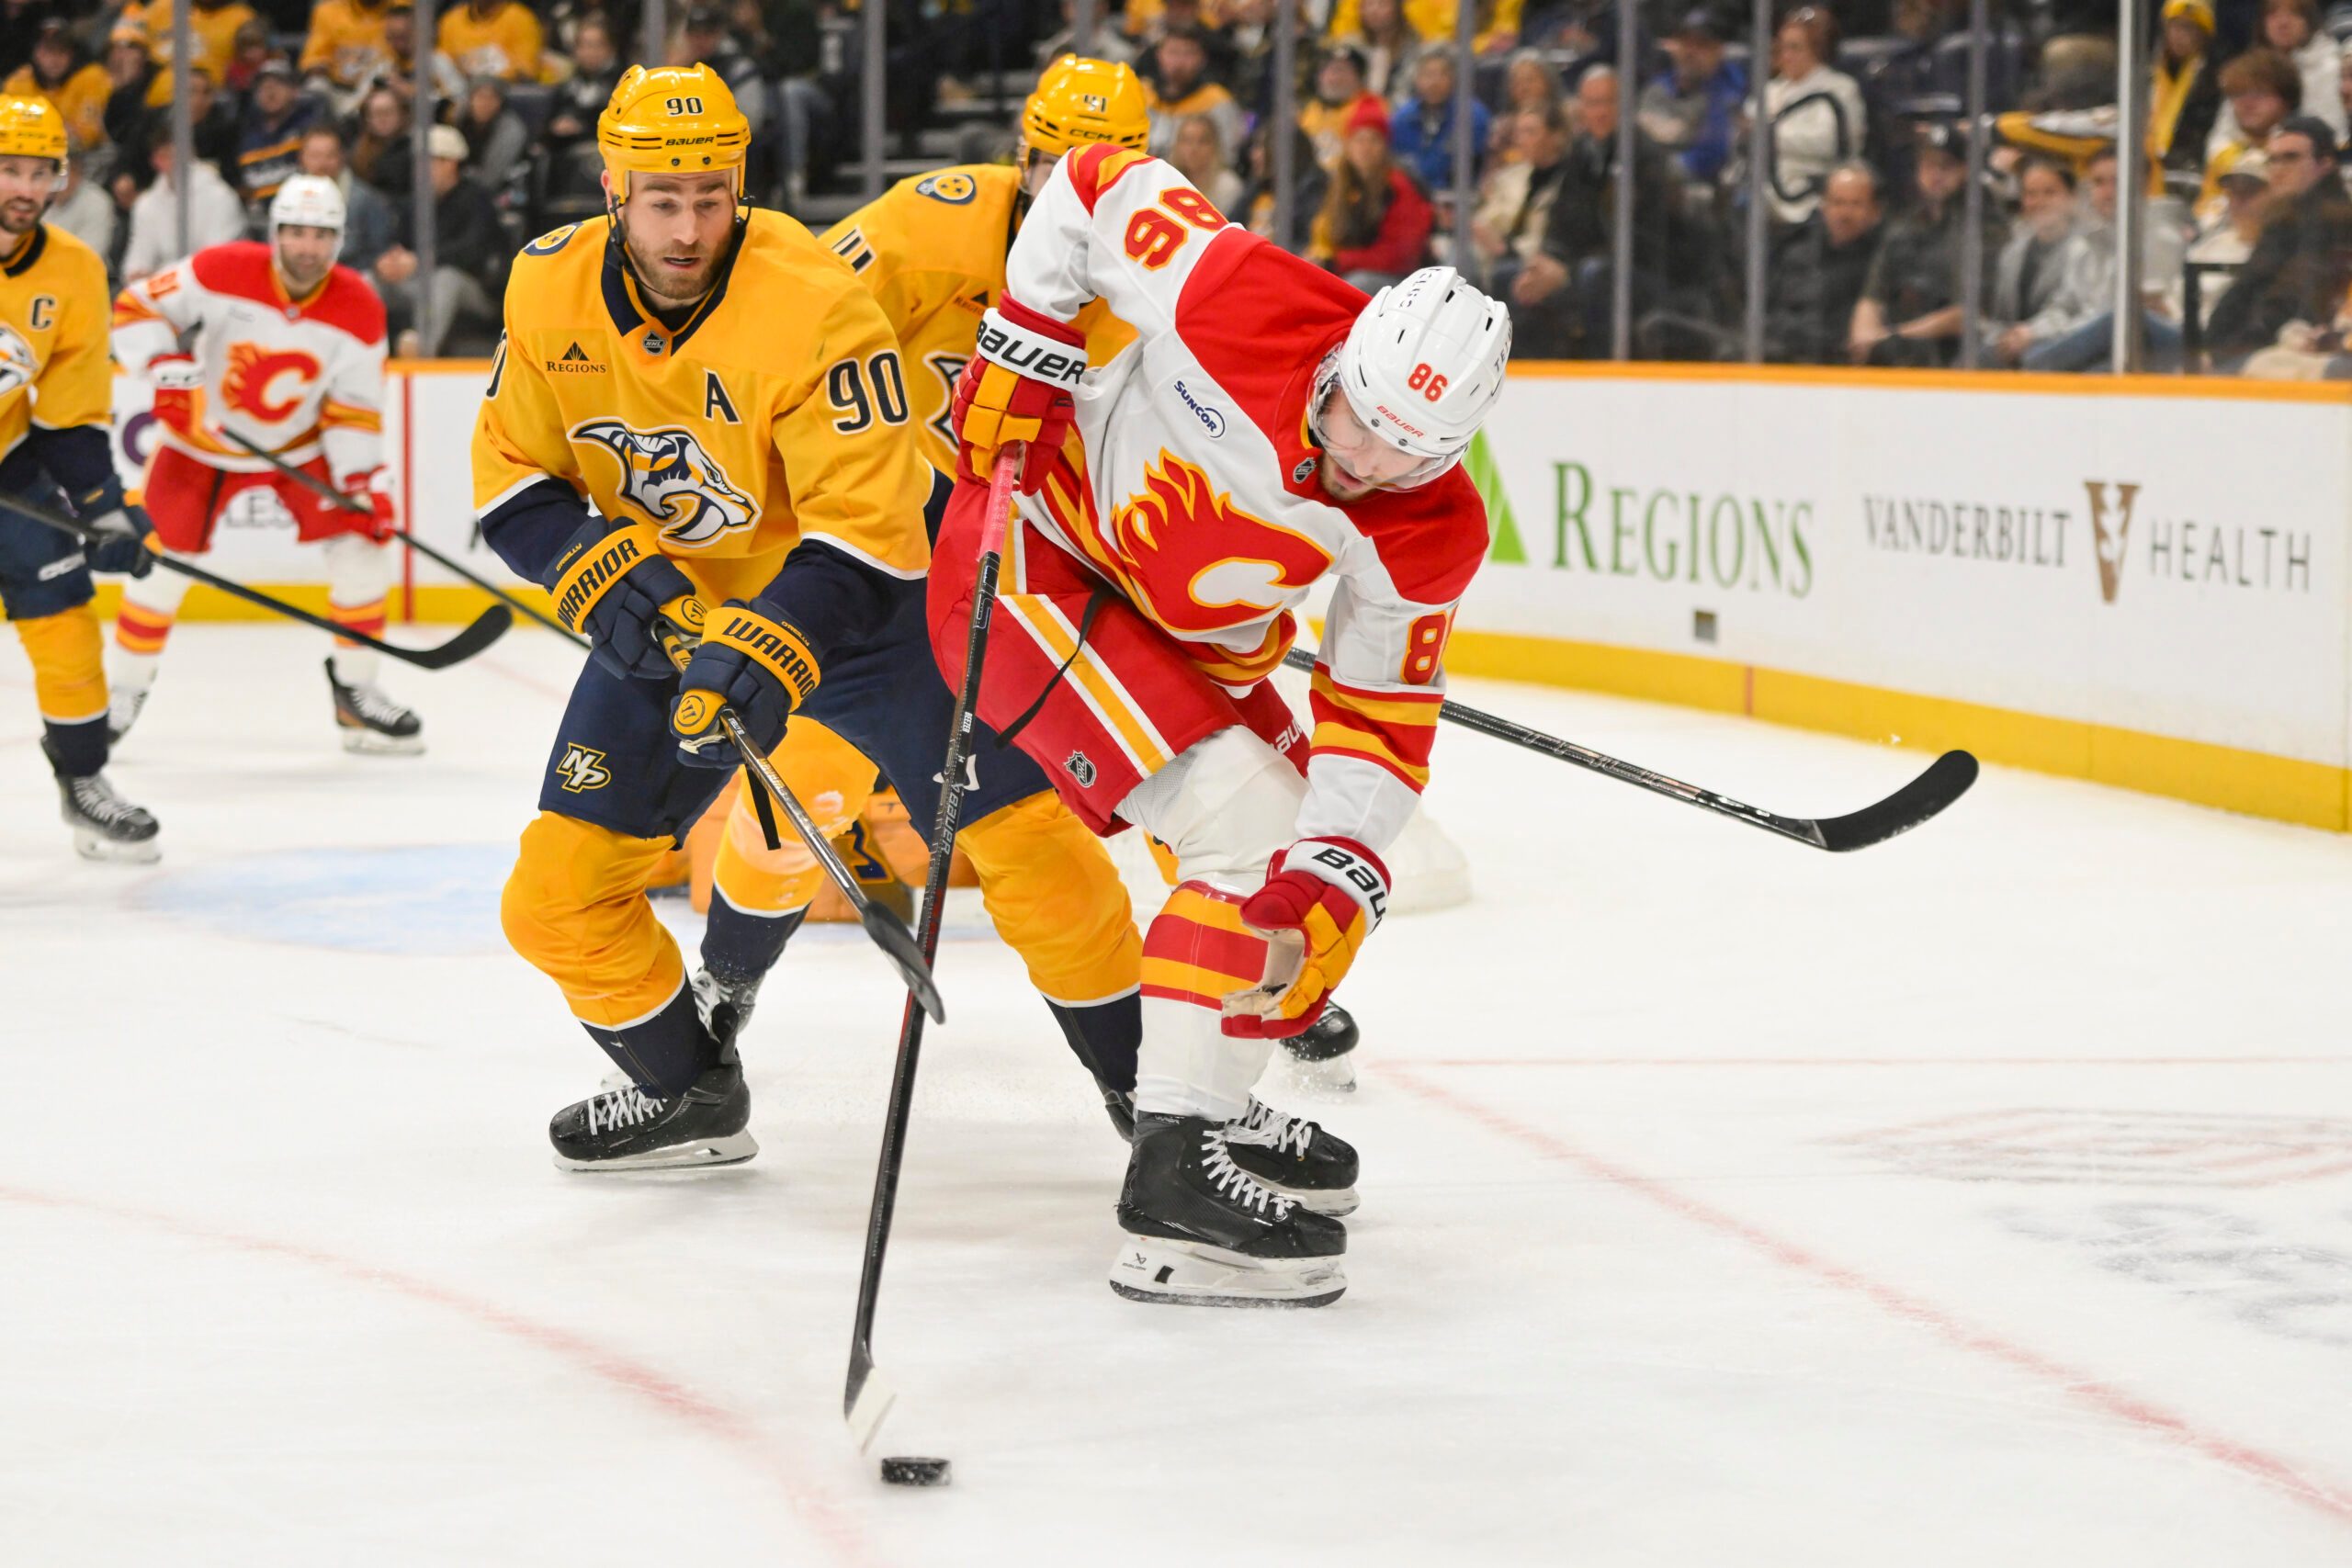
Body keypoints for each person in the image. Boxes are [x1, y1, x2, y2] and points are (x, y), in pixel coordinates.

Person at [469, 64, 1337, 1201]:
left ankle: (1163, 1108)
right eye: (662, 201)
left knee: (1032, 852)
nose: (687, 230)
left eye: (710, 199)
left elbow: (868, 524)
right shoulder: (548, 287)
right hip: (682, 607)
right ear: (612, 191)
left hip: (880, 603)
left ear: (741, 189)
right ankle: (687, 1086)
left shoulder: (812, 297)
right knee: (559, 894)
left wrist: (775, 636)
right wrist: (596, 571)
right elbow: (512, 476)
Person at [935, 141, 1510, 1304]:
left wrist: (1328, 878)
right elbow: (1089, 183)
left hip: (1170, 640)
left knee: (1307, 866)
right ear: (1343, 357)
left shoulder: (1432, 529)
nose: (1359, 463)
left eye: (1406, 453)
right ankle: (1172, 1187)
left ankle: (1203, 1109)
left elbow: (1379, 720)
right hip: (1031, 563)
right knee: (1246, 834)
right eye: (1355, 419)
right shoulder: (1245, 292)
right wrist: (1025, 345)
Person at [807, 57, 1362, 1118]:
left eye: (1101, 170)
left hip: (1076, 538)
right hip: (910, 530)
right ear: (1019, 158)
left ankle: (1254, 943)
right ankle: (726, 990)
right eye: (1052, 167)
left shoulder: (1161, 276)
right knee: (867, 777)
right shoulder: (929, 223)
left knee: (1192, 740)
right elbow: (800, 330)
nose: (1074, 191)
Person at [107, 175, 418, 754]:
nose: (307, 247)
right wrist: (163, 368)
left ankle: (355, 691)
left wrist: (361, 481)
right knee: (159, 569)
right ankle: (123, 692)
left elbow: (354, 408)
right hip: (199, 443)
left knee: (362, 551)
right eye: (296, 232)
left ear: (339, 240)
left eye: (321, 235)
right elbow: (137, 305)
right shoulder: (221, 267)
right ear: (274, 233)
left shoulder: (359, 306)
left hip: (298, 447)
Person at [0, 96, 159, 861]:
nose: (25, 189)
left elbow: (67, 418)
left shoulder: (73, 269)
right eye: (9, 170)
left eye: (40, 173)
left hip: (9, 465)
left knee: (66, 621)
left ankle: (85, 781)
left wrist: (107, 508)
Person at [2204, 117, 2352, 367]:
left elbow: (2297, 300)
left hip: (2269, 351)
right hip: (2245, 346)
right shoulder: (2288, 215)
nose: (2278, 169)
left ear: (2325, 164)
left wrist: (2228, 347)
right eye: (2272, 160)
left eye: (2291, 158)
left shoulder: (2326, 219)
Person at [1849, 121, 1992, 366]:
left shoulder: (1983, 227)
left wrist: (1894, 337)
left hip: (1954, 358)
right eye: (1929, 165)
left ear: (1965, 170)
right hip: (1895, 354)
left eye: (1946, 166)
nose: (1936, 175)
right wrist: (1865, 338)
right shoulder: (1904, 226)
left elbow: (1970, 313)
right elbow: (1873, 295)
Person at [370, 122, 503, 355]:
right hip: (419, 283)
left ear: (450, 163)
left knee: (446, 278)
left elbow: (473, 251)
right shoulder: (416, 200)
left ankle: (421, 351)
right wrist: (390, 260)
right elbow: (399, 241)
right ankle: (361, 348)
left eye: (428, 162)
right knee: (369, 279)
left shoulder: (476, 198)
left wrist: (420, 261)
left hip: (473, 289)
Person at [1766, 159, 1883, 363]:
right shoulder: (1795, 253)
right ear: (1824, 206)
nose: (1845, 213)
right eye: (1837, 203)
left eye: (1855, 204)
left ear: (1874, 211)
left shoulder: (1881, 261)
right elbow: (1768, 313)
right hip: (1784, 363)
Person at [1762, 5, 1867, 226]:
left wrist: (1771, 136)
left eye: (1795, 48)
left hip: (1812, 191)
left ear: (1817, 49)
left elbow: (1829, 142)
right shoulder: (1771, 90)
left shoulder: (1841, 88)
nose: (1786, 56)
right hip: (1764, 190)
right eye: (1782, 48)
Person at [1314, 96, 1433, 289]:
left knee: (1356, 284)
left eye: (1374, 140)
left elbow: (1398, 255)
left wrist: (1337, 262)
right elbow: (1325, 234)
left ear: (1385, 146)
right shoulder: (1340, 187)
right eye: (1359, 140)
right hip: (1348, 271)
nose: (1365, 148)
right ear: (1348, 145)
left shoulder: (1398, 187)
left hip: (1399, 280)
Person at [1987, 155, 2084, 365]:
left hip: (2064, 354)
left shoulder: (2084, 249)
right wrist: (2003, 339)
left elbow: (2075, 310)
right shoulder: (2012, 254)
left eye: (2050, 192)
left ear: (2071, 198)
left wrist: (2032, 333)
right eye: (2031, 194)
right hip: (2013, 354)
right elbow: (2001, 317)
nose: (2039, 202)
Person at [119, 125, 247, 284]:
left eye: (171, 155)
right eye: (161, 156)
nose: (165, 162)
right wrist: (149, 280)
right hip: (161, 290)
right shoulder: (146, 204)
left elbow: (217, 266)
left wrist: (162, 280)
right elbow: (135, 266)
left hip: (211, 291)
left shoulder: (221, 198)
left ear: (190, 154)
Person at [2208, 0, 2342, 149]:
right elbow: (2221, 137)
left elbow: (2332, 135)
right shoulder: (2245, 69)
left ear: (2310, 22)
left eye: (2295, 14)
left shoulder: (2331, 67)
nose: (2283, 23)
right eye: (2272, 14)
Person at [1639, 8, 1746, 188]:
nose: (1690, 52)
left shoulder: (1731, 91)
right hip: (1653, 184)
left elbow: (1710, 157)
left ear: (1719, 50)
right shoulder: (1659, 86)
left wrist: (1656, 167)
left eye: (1701, 45)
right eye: (1686, 43)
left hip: (1702, 188)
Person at [2199, 48, 2301, 211]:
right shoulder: (2222, 156)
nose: (2247, 103)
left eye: (2260, 93)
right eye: (2238, 94)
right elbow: (2206, 213)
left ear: (2287, 100)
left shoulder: (2296, 155)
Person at [1389, 44, 1488, 197]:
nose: (1434, 82)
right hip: (1414, 199)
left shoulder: (1473, 116)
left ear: (1454, 78)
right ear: (1416, 79)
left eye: (1442, 74)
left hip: (1459, 199)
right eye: (1427, 74)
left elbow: (1477, 168)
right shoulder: (1401, 120)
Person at [295, 125, 391, 276]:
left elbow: (379, 252)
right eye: (315, 156)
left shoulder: (365, 199)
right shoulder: (288, 196)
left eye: (330, 156)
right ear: (302, 159)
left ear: (341, 158)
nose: (322, 163)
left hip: (353, 274)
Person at [3, 20, 107, 155]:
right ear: (36, 52)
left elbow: (87, 138)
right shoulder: (18, 82)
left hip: (83, 157)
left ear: (72, 54)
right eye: (48, 51)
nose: (54, 59)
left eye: (61, 52)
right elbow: (5, 131)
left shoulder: (91, 78)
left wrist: (35, 129)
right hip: (27, 153)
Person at [235, 58, 327, 206]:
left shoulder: (310, 128)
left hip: (305, 208)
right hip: (256, 216)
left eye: (279, 84)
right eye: (264, 87)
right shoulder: (244, 135)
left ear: (295, 91)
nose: (270, 92)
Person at [2149, 0, 2222, 182]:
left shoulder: (2214, 83)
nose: (2180, 35)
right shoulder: (2146, 73)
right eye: (2176, 26)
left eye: (2190, 28)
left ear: (2204, 36)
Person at [1143, 26, 1243, 160]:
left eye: (1188, 53)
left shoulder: (1217, 101)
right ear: (1159, 55)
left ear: (1202, 58)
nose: (1180, 62)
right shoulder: (1141, 92)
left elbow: (1228, 155)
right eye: (1173, 52)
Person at [300, 0, 398, 107]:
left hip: (380, 89)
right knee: (316, 85)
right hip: (338, 89)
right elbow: (313, 60)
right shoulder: (329, 11)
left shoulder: (401, 8)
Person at [436, 0, 547, 83]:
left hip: (503, 93)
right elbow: (441, 65)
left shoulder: (521, 19)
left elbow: (525, 72)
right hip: (461, 90)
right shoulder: (451, 21)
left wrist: (481, 75)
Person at [1168, 109, 1244, 212]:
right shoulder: (1167, 181)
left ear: (1215, 146)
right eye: (1187, 140)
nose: (1194, 149)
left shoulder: (1228, 186)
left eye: (1202, 141)